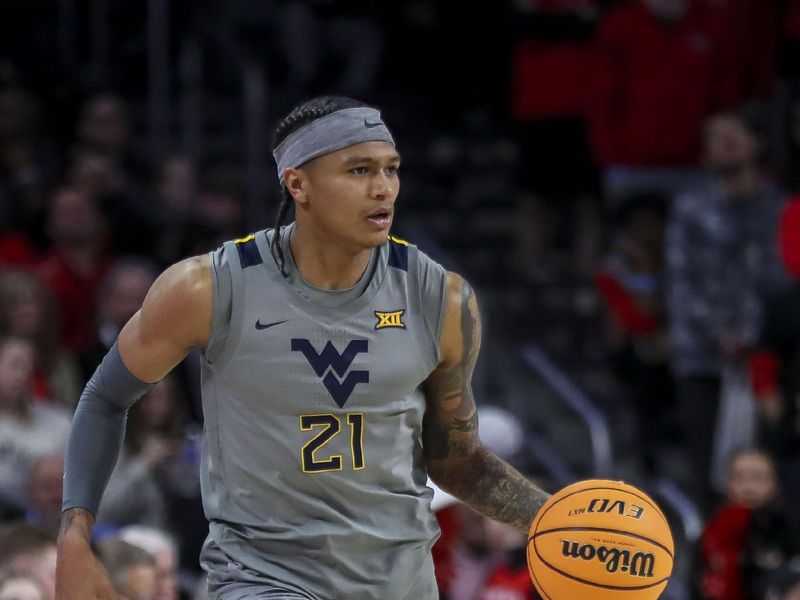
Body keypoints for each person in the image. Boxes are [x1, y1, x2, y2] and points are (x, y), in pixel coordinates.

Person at [56, 95, 551, 599]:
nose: (383, 189)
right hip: (265, 580)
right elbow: (105, 397)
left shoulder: (439, 297)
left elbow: (456, 461)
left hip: (399, 583)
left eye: (391, 169)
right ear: (298, 184)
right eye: (359, 170)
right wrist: (74, 534)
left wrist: (556, 520)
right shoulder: (208, 288)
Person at [666, 109, 789, 513]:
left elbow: (784, 277)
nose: (729, 141)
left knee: (772, 461)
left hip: (771, 356)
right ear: (703, 156)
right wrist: (720, 332)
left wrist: (758, 336)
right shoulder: (690, 208)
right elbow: (683, 280)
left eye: (736, 132)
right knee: (712, 470)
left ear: (759, 143)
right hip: (704, 357)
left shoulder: (779, 206)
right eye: (717, 136)